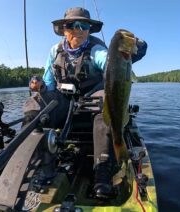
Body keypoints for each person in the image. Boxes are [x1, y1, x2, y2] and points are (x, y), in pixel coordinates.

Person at [23, 7, 147, 199]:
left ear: (89, 29)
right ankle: (37, 163)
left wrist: (132, 51)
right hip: (64, 102)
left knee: (105, 102)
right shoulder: (54, 51)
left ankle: (103, 172)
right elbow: (48, 84)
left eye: (84, 25)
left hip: (93, 102)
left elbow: (110, 63)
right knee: (35, 105)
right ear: (64, 29)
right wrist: (40, 87)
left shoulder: (97, 49)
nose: (78, 29)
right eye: (72, 25)